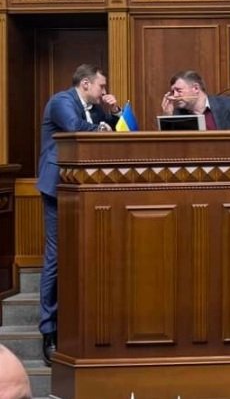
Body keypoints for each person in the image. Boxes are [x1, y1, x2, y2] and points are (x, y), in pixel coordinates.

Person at [36, 63, 119, 367]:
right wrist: (102, 126)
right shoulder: (62, 101)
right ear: (85, 83)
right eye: (101, 86)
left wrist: (113, 112)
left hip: (88, 191)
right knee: (56, 257)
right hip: (58, 188)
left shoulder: (94, 109)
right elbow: (74, 127)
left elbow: (115, 131)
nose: (104, 91)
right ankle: (49, 330)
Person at [160, 70, 230, 130]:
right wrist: (167, 116)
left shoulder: (229, 105)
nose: (175, 95)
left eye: (179, 90)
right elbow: (167, 145)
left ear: (196, 88)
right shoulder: (176, 114)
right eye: (173, 92)